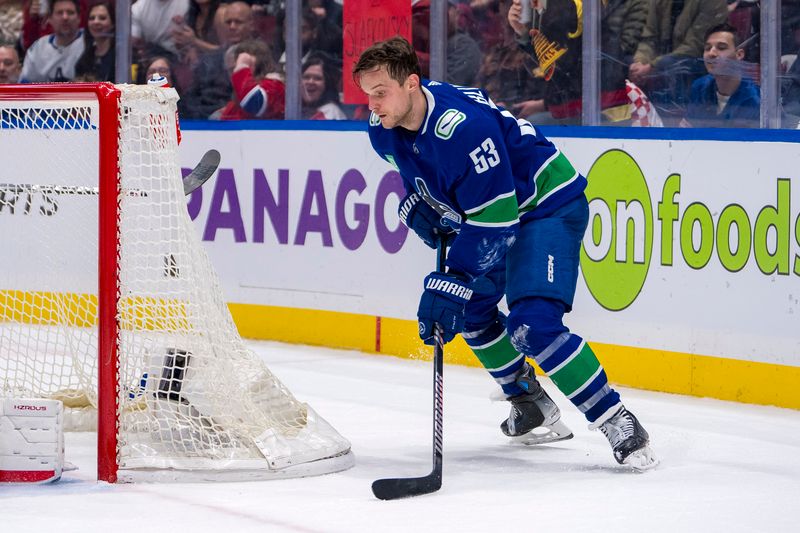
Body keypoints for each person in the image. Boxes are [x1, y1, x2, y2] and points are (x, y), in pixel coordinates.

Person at [353, 36, 658, 470]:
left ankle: (616, 419)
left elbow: (497, 221)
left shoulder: (463, 129)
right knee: (473, 311)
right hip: (495, 210)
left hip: (545, 206)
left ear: (412, 84)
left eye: (380, 93)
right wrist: (427, 205)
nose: (374, 105)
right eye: (368, 95)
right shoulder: (382, 129)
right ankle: (529, 402)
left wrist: (453, 277)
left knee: (533, 326)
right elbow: (418, 170)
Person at [629, 0, 729, 124]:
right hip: (663, 64)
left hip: (697, 64)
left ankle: (675, 124)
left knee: (672, 66)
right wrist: (640, 61)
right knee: (627, 65)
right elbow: (649, 38)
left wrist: (653, 66)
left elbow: (695, 44)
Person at [180, 0, 257, 119]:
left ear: (251, 25)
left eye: (238, 22)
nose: (232, 26)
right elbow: (191, 100)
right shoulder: (209, 61)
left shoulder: (262, 58)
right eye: (228, 22)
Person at [684, 22, 759, 128]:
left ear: (739, 54)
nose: (711, 53)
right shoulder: (699, 87)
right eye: (707, 48)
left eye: (722, 48)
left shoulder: (756, 98)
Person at [217, 38, 284, 120]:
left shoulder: (275, 86)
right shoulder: (233, 106)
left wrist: (242, 66)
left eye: (236, 68)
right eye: (231, 70)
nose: (234, 75)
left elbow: (254, 103)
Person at [19, 0, 84, 82]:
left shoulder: (91, 42)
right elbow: (25, 85)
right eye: (59, 13)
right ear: (50, 19)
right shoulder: (38, 48)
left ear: (79, 18)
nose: (65, 17)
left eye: (70, 12)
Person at [74, 0, 114, 82]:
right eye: (91, 18)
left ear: (113, 23)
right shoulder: (84, 59)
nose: (96, 22)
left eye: (102, 18)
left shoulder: (121, 56)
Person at [301, 52, 346, 120]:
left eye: (317, 78)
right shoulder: (292, 111)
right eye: (306, 77)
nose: (310, 82)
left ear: (326, 85)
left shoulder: (331, 112)